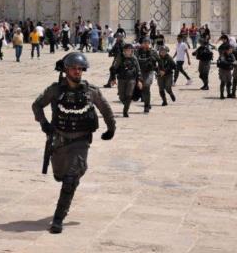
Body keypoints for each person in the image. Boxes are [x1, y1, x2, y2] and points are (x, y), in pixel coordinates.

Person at [32, 52, 115, 234]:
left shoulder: (91, 91)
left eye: (80, 69)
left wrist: (111, 128)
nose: (77, 72)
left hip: (81, 141)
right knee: (60, 175)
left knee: (70, 178)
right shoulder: (55, 90)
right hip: (60, 140)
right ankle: (73, 178)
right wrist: (44, 124)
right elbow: (37, 105)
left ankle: (58, 218)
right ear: (65, 70)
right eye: (73, 68)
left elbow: (106, 109)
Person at [115, 44, 141, 118]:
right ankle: (126, 104)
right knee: (121, 97)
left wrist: (139, 80)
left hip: (131, 79)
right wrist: (113, 77)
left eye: (129, 50)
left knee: (129, 95)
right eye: (126, 50)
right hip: (121, 79)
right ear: (124, 51)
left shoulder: (134, 58)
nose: (128, 52)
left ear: (132, 51)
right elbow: (115, 68)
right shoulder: (120, 58)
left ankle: (125, 111)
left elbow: (138, 69)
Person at [134, 38, 160, 113]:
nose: (145, 44)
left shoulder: (153, 52)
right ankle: (147, 103)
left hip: (149, 72)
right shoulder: (137, 52)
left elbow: (159, 60)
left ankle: (146, 106)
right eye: (144, 42)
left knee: (147, 86)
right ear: (141, 43)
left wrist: (160, 70)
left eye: (147, 42)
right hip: (140, 72)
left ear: (149, 43)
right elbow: (134, 60)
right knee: (142, 88)